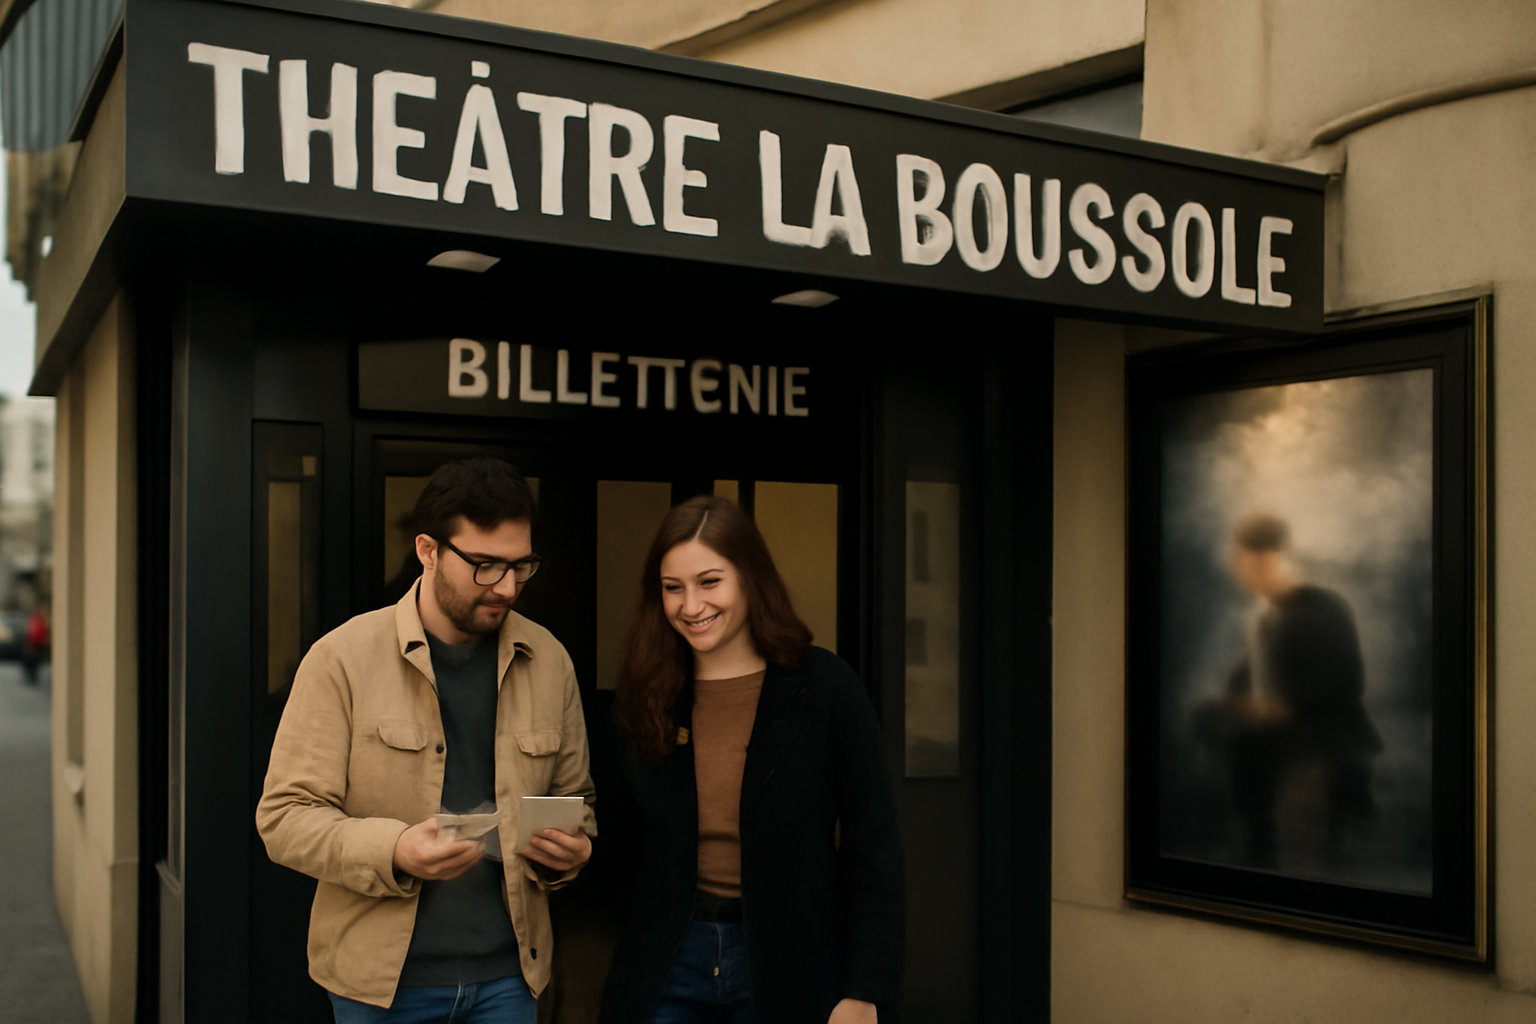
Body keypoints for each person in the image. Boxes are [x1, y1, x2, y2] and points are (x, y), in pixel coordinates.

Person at [257, 457, 596, 1023]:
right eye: (485, 566)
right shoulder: (340, 659)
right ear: (428, 551)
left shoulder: (550, 661)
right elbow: (284, 819)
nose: (507, 587)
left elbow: (577, 803)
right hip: (381, 988)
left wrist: (571, 853)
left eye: (521, 566)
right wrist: (395, 850)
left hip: (511, 980)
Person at [600, 496, 904, 1024]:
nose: (691, 605)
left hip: (795, 959)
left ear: (749, 578)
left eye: (710, 582)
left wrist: (865, 988)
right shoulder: (648, 694)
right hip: (670, 958)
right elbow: (621, 848)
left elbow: (873, 849)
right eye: (674, 588)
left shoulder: (827, 688)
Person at [1193, 512, 1382, 873]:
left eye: (1239, 560)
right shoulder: (1268, 619)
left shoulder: (1322, 613)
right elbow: (1243, 686)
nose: (1236, 570)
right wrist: (1228, 709)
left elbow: (1331, 693)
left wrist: (1256, 710)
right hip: (1272, 763)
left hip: (1312, 765)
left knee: (1302, 871)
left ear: (1260, 558)